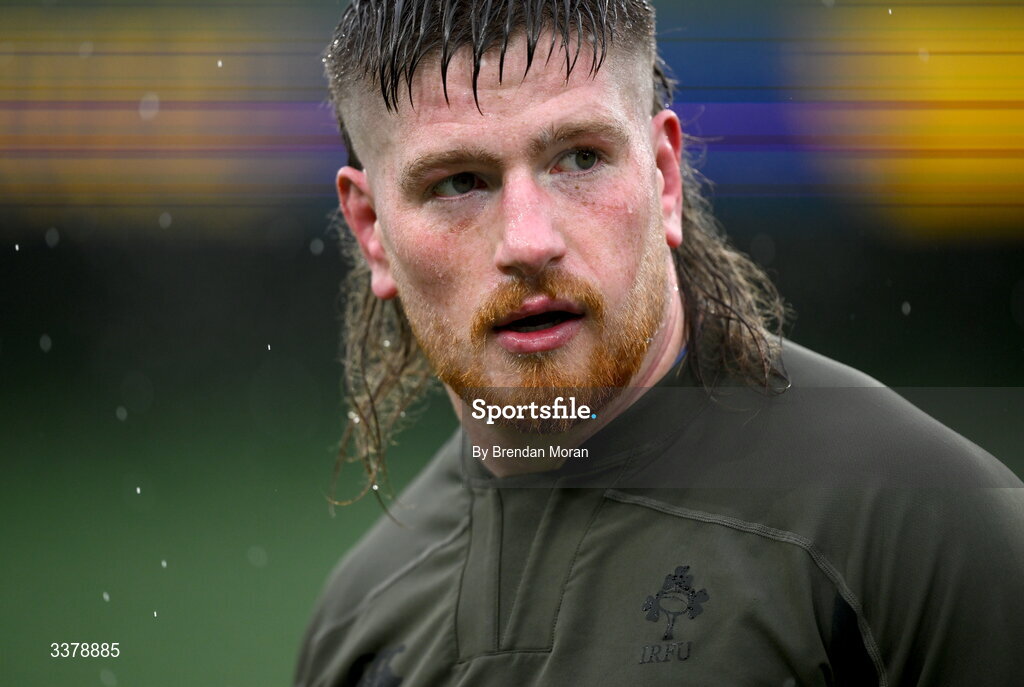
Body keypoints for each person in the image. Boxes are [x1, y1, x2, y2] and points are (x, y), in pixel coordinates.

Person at [295, 1, 1024, 685]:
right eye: (459, 181)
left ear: (664, 176)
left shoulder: (918, 522)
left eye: (580, 159)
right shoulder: (359, 620)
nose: (529, 242)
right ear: (371, 231)